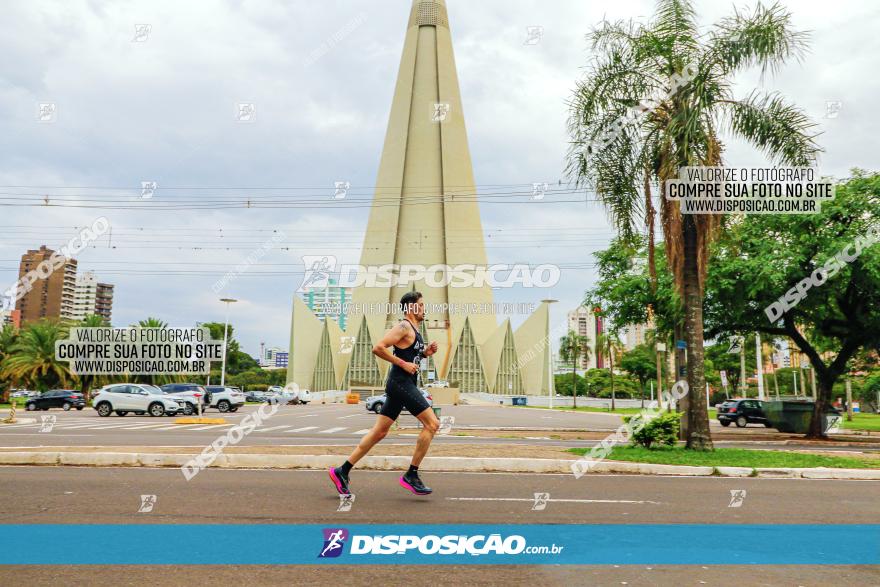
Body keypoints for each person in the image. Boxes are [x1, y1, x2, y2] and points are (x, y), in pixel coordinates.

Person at [329, 291, 440, 496]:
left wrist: (425, 354)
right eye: (421, 305)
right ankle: (411, 475)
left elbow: (410, 356)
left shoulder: (415, 330)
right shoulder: (403, 326)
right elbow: (378, 348)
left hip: (402, 384)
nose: (425, 308)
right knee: (432, 424)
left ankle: (342, 471)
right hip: (400, 383)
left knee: (379, 432)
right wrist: (402, 364)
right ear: (411, 307)